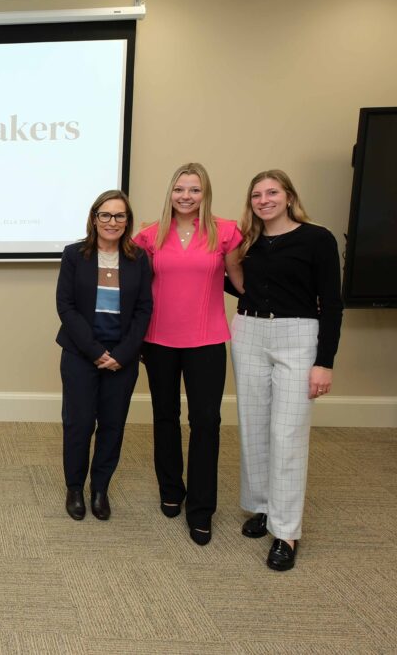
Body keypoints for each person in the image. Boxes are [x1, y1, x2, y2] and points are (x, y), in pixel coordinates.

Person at [231, 170, 342, 571]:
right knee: (254, 424)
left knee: (288, 432)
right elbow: (239, 286)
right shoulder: (249, 242)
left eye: (272, 192)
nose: (264, 200)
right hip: (248, 332)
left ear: (290, 196)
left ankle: (286, 532)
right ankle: (262, 506)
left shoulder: (317, 238)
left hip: (298, 335)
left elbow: (331, 302)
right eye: (256, 194)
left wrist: (324, 362)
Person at [134, 162, 243, 546]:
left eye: (194, 190)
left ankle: (201, 509)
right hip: (159, 341)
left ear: (205, 193)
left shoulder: (226, 232)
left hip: (207, 341)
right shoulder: (149, 235)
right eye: (180, 189)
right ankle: (170, 489)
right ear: (171, 192)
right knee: (165, 417)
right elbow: (139, 290)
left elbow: (240, 282)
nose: (186, 196)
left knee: (206, 423)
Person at [56, 190, 152, 521]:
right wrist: (96, 352)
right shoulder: (74, 255)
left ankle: (100, 489)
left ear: (128, 221)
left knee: (112, 425)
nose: (112, 222)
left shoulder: (139, 258)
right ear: (94, 218)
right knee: (78, 424)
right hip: (81, 355)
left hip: (122, 360)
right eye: (106, 215)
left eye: (120, 216)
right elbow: (65, 306)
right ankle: (74, 488)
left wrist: (122, 354)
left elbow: (144, 309)